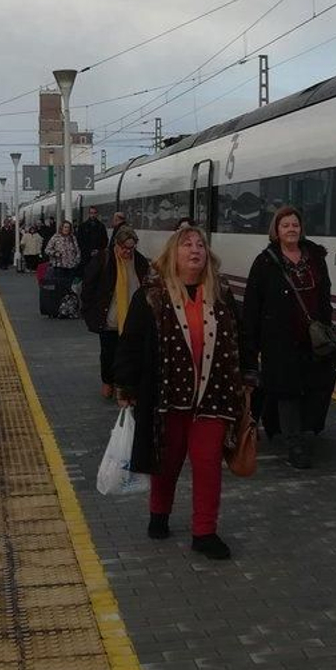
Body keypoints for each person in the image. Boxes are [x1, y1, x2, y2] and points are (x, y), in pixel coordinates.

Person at [115, 224, 251, 560]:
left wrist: (248, 376)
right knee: (168, 461)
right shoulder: (152, 295)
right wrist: (126, 385)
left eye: (200, 245)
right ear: (173, 254)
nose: (195, 250)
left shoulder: (220, 293)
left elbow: (240, 337)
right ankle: (158, 514)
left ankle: (204, 532)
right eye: (187, 245)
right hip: (167, 398)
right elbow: (131, 343)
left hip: (213, 396)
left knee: (207, 465)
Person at [241, 205, 336, 470]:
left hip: (313, 340)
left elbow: (325, 294)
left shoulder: (315, 257)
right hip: (279, 340)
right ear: (277, 230)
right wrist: (252, 344)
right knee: (287, 390)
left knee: (319, 383)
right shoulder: (265, 261)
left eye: (295, 224)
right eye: (286, 226)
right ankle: (294, 444)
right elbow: (252, 305)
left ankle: (294, 429)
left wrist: (327, 325)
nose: (291, 229)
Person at [81, 225, 151, 401]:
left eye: (131, 248)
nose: (128, 252)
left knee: (130, 355)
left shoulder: (140, 262)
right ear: (116, 245)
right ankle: (107, 381)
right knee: (108, 353)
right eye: (124, 247)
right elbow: (88, 286)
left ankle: (124, 387)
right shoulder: (103, 259)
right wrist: (89, 310)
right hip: (109, 319)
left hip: (132, 320)